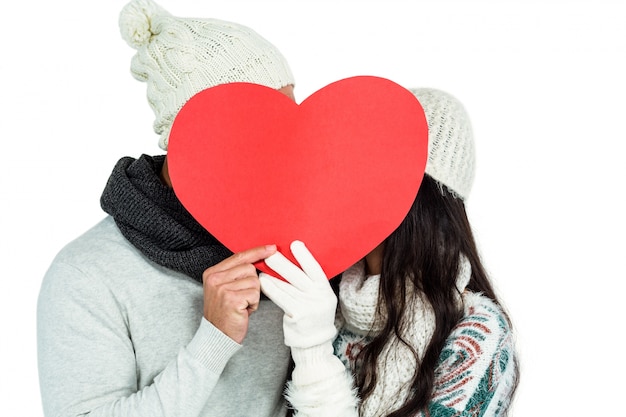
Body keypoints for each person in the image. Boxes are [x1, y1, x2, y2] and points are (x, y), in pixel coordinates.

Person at [37, 0, 296, 416]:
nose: (285, 147)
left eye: (290, 121)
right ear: (192, 135)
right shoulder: (87, 274)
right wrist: (211, 342)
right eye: (261, 123)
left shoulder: (301, 245)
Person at [260, 88, 520, 417]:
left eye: (364, 174)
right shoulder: (320, 302)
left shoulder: (476, 335)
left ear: (415, 202)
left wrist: (313, 353)